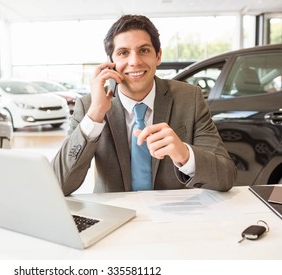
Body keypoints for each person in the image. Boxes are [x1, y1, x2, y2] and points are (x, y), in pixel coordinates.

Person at [51, 14, 236, 195]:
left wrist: (185, 155)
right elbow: (59, 184)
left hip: (175, 215)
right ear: (111, 63)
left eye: (144, 50)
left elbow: (226, 176)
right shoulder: (89, 106)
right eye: (123, 53)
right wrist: (95, 114)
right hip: (115, 215)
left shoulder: (189, 98)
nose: (135, 62)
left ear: (158, 55)